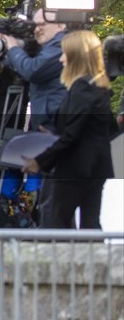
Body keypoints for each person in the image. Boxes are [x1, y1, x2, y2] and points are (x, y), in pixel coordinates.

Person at [21, 31, 115, 229]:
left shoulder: (82, 88)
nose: (61, 59)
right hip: (95, 166)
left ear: (76, 57)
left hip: (76, 167)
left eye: (65, 54)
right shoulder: (98, 87)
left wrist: (40, 160)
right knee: (90, 223)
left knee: (58, 221)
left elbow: (72, 135)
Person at [0, 9, 67, 132]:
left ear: (60, 25)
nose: (36, 30)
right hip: (47, 120)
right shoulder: (46, 46)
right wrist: (1, 65)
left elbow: (32, 71)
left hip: (54, 124)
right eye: (34, 25)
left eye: (42, 25)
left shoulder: (61, 44)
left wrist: (13, 47)